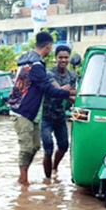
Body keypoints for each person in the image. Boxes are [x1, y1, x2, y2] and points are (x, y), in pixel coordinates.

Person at [11, 32, 75, 186]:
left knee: (35, 146)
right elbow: (48, 89)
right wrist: (69, 93)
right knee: (27, 147)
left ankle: (25, 177)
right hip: (23, 111)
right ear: (48, 47)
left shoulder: (29, 58)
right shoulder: (37, 65)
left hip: (32, 113)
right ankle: (23, 179)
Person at [40, 45, 79, 179]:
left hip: (60, 116)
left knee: (63, 146)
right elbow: (57, 91)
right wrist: (65, 92)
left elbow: (76, 94)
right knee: (48, 148)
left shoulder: (72, 75)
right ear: (55, 58)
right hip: (46, 116)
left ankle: (55, 167)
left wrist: (63, 92)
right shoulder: (48, 73)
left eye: (66, 57)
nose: (63, 60)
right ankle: (47, 180)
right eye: (60, 57)